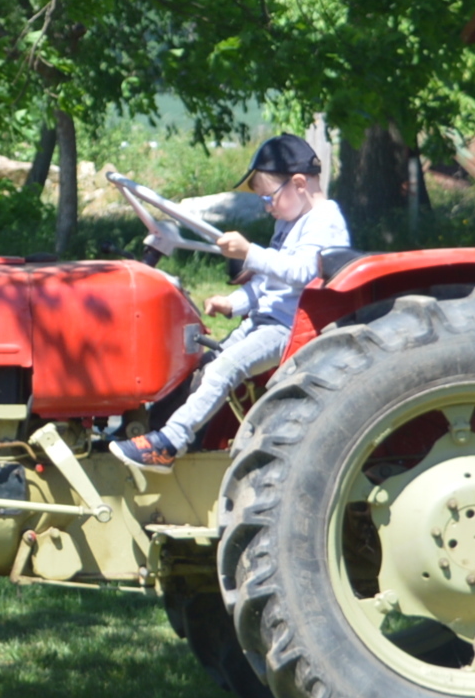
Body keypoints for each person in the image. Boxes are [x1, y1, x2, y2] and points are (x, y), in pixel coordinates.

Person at [115, 134, 350, 467]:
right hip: (262, 321)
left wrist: (250, 252)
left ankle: (170, 443)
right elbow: (269, 283)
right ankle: (146, 428)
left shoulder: (325, 220)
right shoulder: (288, 222)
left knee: (225, 367)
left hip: (288, 327)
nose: (267, 208)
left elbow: (301, 271)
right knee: (204, 364)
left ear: (299, 183)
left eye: (268, 198)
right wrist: (234, 302)